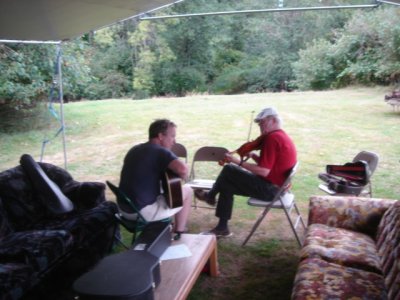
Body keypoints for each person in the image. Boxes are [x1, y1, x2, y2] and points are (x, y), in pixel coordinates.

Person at [195, 107, 297, 237]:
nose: (260, 126)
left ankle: (210, 196)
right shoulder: (280, 136)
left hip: (270, 189)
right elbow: (272, 166)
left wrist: (237, 162)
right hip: (278, 188)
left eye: (262, 122)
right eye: (259, 123)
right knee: (226, 185)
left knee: (229, 169)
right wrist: (254, 156)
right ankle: (222, 228)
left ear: (272, 120)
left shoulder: (272, 138)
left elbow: (264, 171)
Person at [119, 119, 192, 238]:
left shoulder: (134, 149)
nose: (174, 141)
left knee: (163, 190)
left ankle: (169, 227)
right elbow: (183, 170)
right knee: (188, 190)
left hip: (124, 209)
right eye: (172, 136)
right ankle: (179, 231)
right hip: (141, 212)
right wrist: (183, 173)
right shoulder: (160, 151)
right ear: (160, 136)